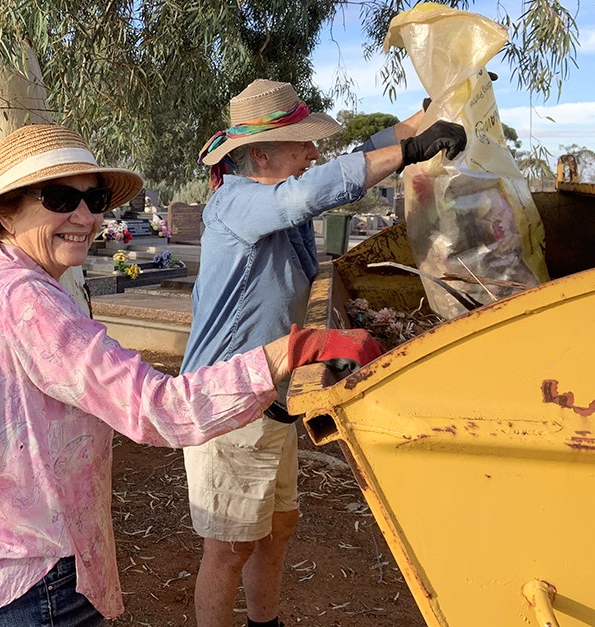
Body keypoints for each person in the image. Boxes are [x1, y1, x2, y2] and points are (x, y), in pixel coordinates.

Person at [0, 123, 383, 627]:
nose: (85, 217)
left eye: (96, 197)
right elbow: (159, 409)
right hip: (24, 581)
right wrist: (294, 349)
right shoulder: (26, 302)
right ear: (4, 212)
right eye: (61, 198)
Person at [184, 79, 467, 627]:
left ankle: (265, 622)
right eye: (303, 143)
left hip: (273, 399)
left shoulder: (270, 203)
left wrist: (430, 113)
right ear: (260, 153)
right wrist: (409, 151)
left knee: (277, 526)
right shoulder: (238, 203)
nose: (315, 153)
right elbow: (308, 192)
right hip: (228, 407)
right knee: (227, 549)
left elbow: (349, 163)